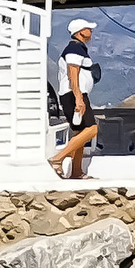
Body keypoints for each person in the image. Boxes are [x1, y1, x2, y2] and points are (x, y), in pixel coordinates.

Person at [52, 20, 101, 178]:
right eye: (88, 29)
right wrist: (79, 98)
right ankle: (57, 159)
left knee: (79, 132)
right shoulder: (74, 49)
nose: (91, 32)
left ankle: (76, 172)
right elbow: (73, 74)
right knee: (92, 129)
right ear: (80, 32)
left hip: (72, 94)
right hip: (74, 94)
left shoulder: (77, 48)